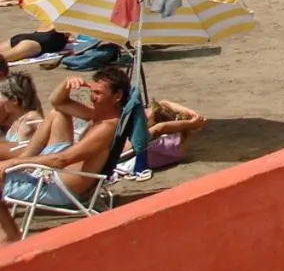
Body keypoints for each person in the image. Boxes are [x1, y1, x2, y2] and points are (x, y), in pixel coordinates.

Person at [0, 67, 129, 243]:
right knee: (57, 113)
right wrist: (67, 83)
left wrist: (14, 162)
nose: (92, 97)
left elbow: (62, 160)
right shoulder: (101, 116)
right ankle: (24, 159)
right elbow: (57, 102)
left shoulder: (107, 127)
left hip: (60, 188)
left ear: (117, 96)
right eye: (92, 92)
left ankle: (10, 234)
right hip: (58, 175)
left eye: (98, 93)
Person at [116, 98, 206, 172]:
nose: (143, 113)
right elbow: (165, 103)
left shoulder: (149, 136)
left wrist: (191, 123)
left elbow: (161, 127)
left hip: (119, 158)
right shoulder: (168, 140)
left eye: (145, 118)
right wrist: (192, 113)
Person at [0, 73, 43, 159]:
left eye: (1, 98)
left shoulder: (31, 117)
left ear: (14, 100)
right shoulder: (14, 125)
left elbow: (49, 131)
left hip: (30, 163)